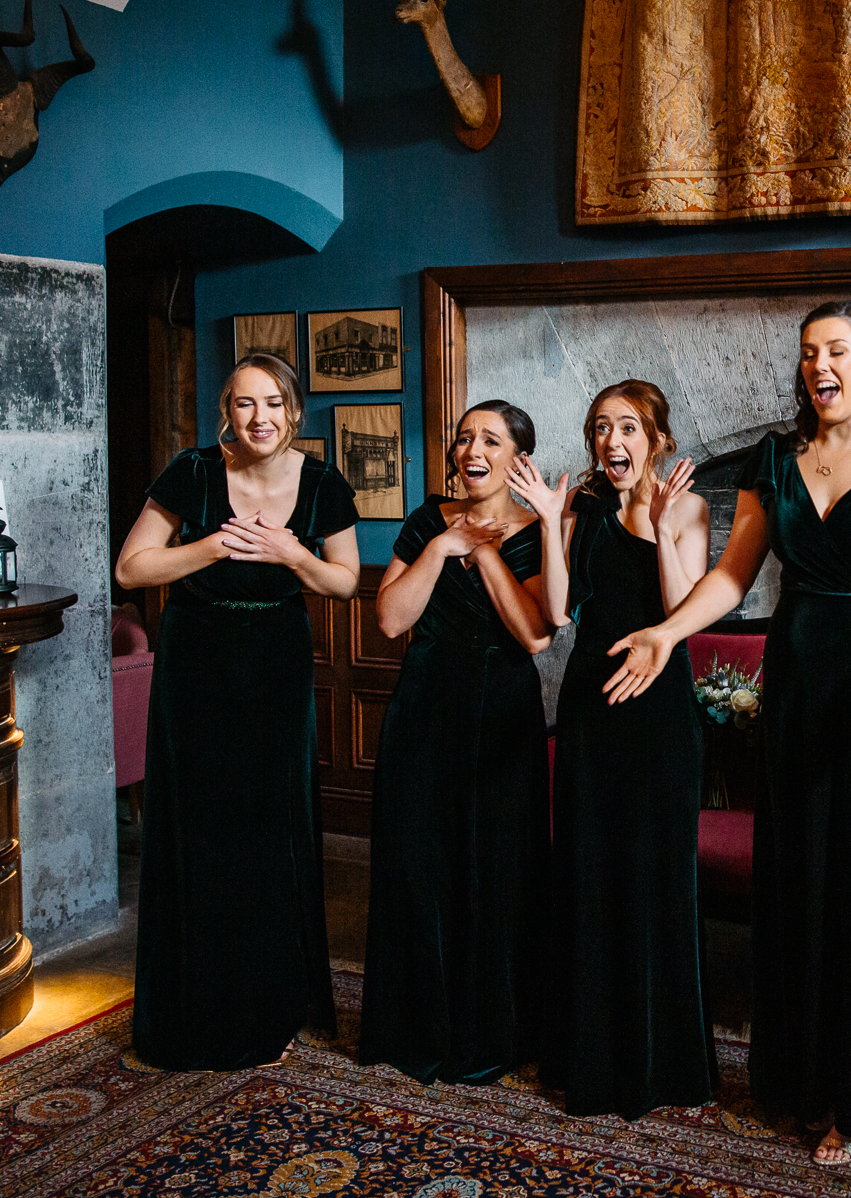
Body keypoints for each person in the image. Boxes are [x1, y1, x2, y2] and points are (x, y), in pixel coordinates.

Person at [600, 302, 851, 1165]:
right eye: (808, 354)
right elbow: (734, 575)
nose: (819, 366)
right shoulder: (774, 458)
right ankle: (809, 1079)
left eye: (836, 350)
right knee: (807, 884)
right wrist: (668, 631)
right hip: (801, 692)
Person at [116, 354, 360, 1071]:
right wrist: (212, 544)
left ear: (293, 412)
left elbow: (345, 583)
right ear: (228, 410)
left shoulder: (322, 484)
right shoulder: (191, 473)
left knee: (267, 827)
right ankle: (190, 1005)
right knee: (200, 825)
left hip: (277, 661)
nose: (260, 419)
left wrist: (291, 554)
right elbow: (131, 568)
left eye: (274, 404)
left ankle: (270, 1003)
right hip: (197, 660)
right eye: (245, 404)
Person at [508, 378, 718, 1120]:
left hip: (658, 712)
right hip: (591, 712)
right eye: (600, 427)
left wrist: (660, 528)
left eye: (627, 427)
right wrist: (547, 521)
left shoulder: (688, 506)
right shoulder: (583, 506)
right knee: (591, 874)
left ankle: (662, 1061)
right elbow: (559, 612)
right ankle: (586, 1055)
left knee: (655, 877)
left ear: (657, 439)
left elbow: (682, 610)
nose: (610, 441)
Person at [357, 400, 554, 1085]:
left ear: (516, 458)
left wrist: (489, 547)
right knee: (418, 864)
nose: (472, 447)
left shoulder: (538, 530)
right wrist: (444, 545)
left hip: (501, 715)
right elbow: (388, 619)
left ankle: (492, 1031)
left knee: (496, 870)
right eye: (464, 437)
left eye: (490, 439)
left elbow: (536, 634)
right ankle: (414, 1026)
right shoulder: (424, 520)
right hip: (423, 708)